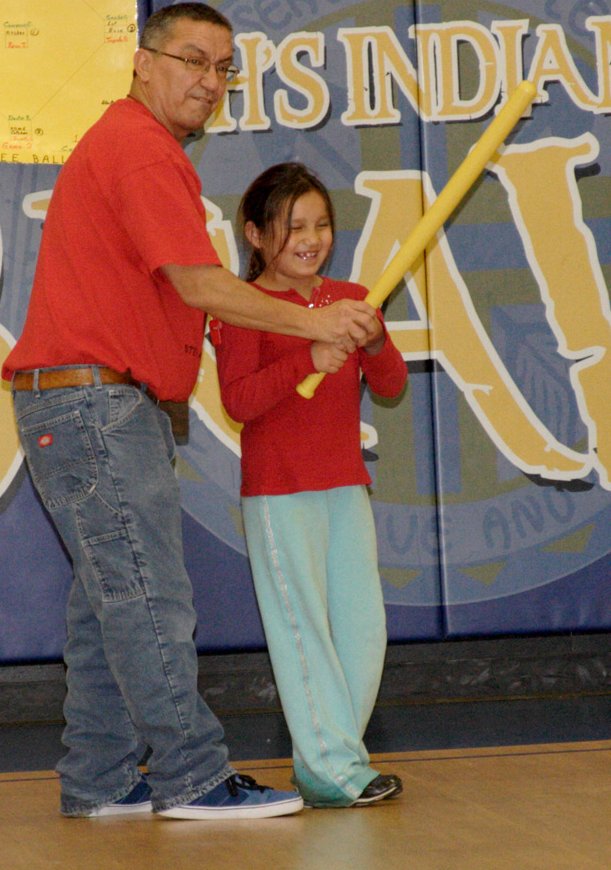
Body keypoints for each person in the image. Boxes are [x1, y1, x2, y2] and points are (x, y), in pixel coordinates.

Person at [2, 2, 380, 819]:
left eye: (222, 69)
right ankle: (194, 777)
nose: (208, 82)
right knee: (147, 597)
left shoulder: (137, 149)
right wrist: (312, 321)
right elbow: (200, 284)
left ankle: (101, 777)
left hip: (96, 405)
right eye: (191, 60)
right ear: (141, 62)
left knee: (110, 605)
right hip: (94, 404)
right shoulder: (139, 150)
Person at [210, 162, 407, 808]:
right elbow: (238, 400)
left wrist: (373, 340)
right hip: (278, 492)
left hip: (344, 485)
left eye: (321, 223)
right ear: (255, 235)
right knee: (302, 633)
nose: (311, 237)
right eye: (293, 225)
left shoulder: (348, 296)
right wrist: (309, 356)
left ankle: (328, 762)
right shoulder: (242, 309)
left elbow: (391, 385)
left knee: (361, 630)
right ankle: (333, 767)